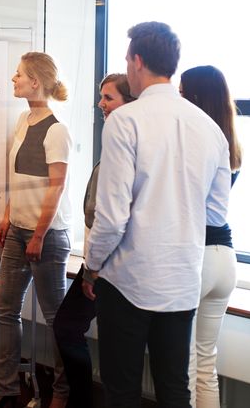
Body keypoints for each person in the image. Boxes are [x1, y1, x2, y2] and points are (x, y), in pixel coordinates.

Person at [85, 22, 231, 408]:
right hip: (182, 278)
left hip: (128, 280)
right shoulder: (211, 128)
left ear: (136, 61)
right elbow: (215, 215)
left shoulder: (125, 121)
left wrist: (92, 265)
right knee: (174, 389)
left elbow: (112, 215)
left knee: (122, 391)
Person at [0, 52, 72, 408]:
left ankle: (62, 393)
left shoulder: (57, 130)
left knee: (57, 319)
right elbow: (19, 178)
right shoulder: (24, 119)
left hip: (48, 236)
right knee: (6, 307)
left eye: (19, 74)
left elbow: (56, 187)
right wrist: (8, 213)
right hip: (19, 229)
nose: (13, 78)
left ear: (35, 82)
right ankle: (4, 389)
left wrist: (38, 234)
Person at [52, 73, 136, 408]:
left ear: (130, 102)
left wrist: (92, 271)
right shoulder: (118, 145)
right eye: (101, 97)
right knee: (67, 327)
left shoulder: (125, 150)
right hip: (100, 262)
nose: (101, 104)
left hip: (109, 268)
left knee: (70, 327)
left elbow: (108, 217)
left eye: (109, 98)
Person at [180, 65, 242, 408]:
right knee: (207, 362)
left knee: (185, 363)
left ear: (195, 97)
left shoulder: (198, 144)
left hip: (198, 256)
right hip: (225, 259)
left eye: (182, 92)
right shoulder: (231, 145)